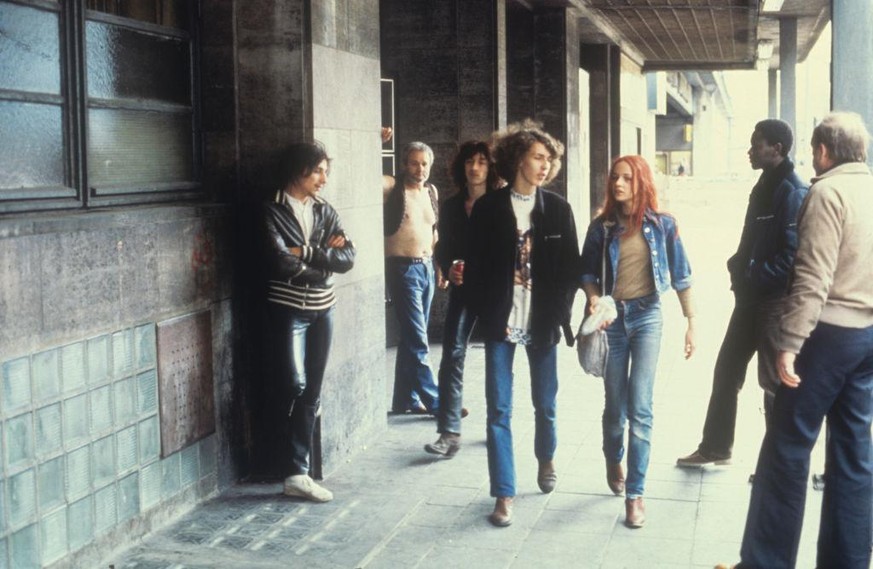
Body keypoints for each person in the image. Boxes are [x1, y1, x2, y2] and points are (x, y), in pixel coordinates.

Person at [718, 112, 873, 569]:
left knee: (785, 448)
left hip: (823, 336)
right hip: (865, 339)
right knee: (853, 454)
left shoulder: (827, 192)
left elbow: (812, 279)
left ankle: (765, 562)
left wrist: (790, 341)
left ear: (824, 151)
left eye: (813, 149)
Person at [465, 120, 580, 527]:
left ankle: (545, 456)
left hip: (543, 321)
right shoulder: (489, 208)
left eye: (549, 159)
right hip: (501, 321)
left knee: (545, 405)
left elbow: (571, 271)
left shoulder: (559, 209)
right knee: (498, 409)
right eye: (538, 157)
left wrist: (561, 311)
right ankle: (504, 493)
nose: (545, 165)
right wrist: (485, 305)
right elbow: (474, 265)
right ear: (518, 159)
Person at [677, 120, 808, 468]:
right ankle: (715, 448)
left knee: (773, 383)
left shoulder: (792, 191)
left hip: (774, 302)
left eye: (757, 144)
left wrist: (751, 274)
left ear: (777, 149)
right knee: (726, 371)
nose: (750, 150)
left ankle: (776, 465)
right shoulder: (765, 185)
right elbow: (751, 241)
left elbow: (793, 257)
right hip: (751, 299)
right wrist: (737, 266)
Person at [579, 155, 695, 528]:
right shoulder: (602, 227)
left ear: (641, 181)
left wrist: (692, 323)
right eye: (615, 177)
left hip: (647, 318)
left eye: (627, 178)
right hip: (612, 320)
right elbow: (585, 272)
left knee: (641, 407)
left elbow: (682, 275)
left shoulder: (663, 225)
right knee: (616, 409)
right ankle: (614, 457)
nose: (619, 184)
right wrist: (593, 296)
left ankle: (635, 494)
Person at [262, 141, 356, 502]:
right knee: (293, 383)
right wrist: (321, 267)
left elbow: (348, 256)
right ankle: (279, 458)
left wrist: (310, 253)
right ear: (298, 170)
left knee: (312, 390)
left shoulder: (325, 210)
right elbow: (277, 261)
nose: (323, 179)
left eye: (326, 172)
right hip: (288, 310)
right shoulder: (270, 209)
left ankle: (296, 472)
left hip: (324, 310)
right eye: (317, 171)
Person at [424, 140, 498, 457]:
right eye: (470, 161)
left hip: (497, 294)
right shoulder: (453, 206)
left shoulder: (502, 205)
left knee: (499, 360)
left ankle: (499, 426)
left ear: (491, 168)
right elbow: (443, 246)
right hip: (463, 291)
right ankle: (449, 433)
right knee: (452, 354)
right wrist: (451, 264)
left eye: (482, 161)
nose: (475, 167)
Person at [384, 142, 441, 414]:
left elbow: (433, 233)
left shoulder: (431, 191)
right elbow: (365, 174)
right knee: (418, 338)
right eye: (414, 163)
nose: (420, 169)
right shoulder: (392, 188)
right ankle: (438, 403)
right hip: (403, 269)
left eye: (425, 164)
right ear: (404, 164)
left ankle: (404, 400)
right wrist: (377, 144)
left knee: (411, 338)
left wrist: (438, 268)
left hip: (427, 267)